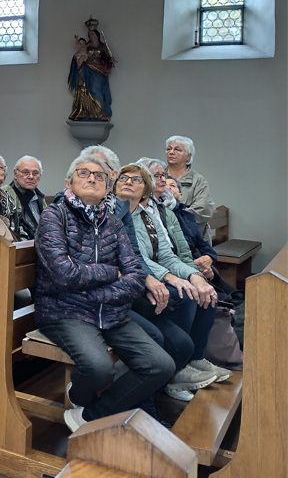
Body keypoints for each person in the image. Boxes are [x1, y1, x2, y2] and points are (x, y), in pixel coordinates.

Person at [35, 153, 175, 432]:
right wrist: (112, 273)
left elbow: (135, 275)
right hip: (65, 312)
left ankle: (90, 415)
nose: (92, 178)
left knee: (161, 364)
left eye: (99, 176)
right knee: (99, 368)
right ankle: (80, 397)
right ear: (69, 182)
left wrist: (97, 293)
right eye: (84, 173)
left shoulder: (111, 221)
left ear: (107, 187)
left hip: (109, 311)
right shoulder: (55, 216)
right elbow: (64, 273)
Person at [115, 164, 226, 400]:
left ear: (145, 190)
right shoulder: (118, 216)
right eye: (123, 178)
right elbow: (137, 259)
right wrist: (170, 278)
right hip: (135, 283)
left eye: (136, 180)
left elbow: (167, 254)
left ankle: (192, 360)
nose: (128, 182)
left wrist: (193, 276)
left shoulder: (147, 216)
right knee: (185, 296)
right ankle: (176, 369)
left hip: (149, 276)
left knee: (206, 292)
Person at [164, 135, 215, 238]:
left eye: (177, 149)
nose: (171, 152)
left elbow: (203, 209)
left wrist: (173, 218)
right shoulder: (158, 176)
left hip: (192, 236)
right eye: (168, 149)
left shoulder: (198, 180)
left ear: (188, 156)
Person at [67, 17, 115, 121]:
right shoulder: (86, 46)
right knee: (86, 90)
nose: (91, 36)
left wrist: (109, 61)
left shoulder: (103, 47)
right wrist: (77, 58)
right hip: (87, 71)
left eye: (92, 34)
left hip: (99, 71)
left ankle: (102, 113)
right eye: (89, 35)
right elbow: (78, 55)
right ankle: (88, 112)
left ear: (97, 35)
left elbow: (107, 59)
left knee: (96, 90)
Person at [9, 155, 46, 239]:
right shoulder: (6, 195)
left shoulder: (40, 197)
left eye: (35, 173)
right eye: (26, 172)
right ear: (15, 174)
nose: (31, 177)